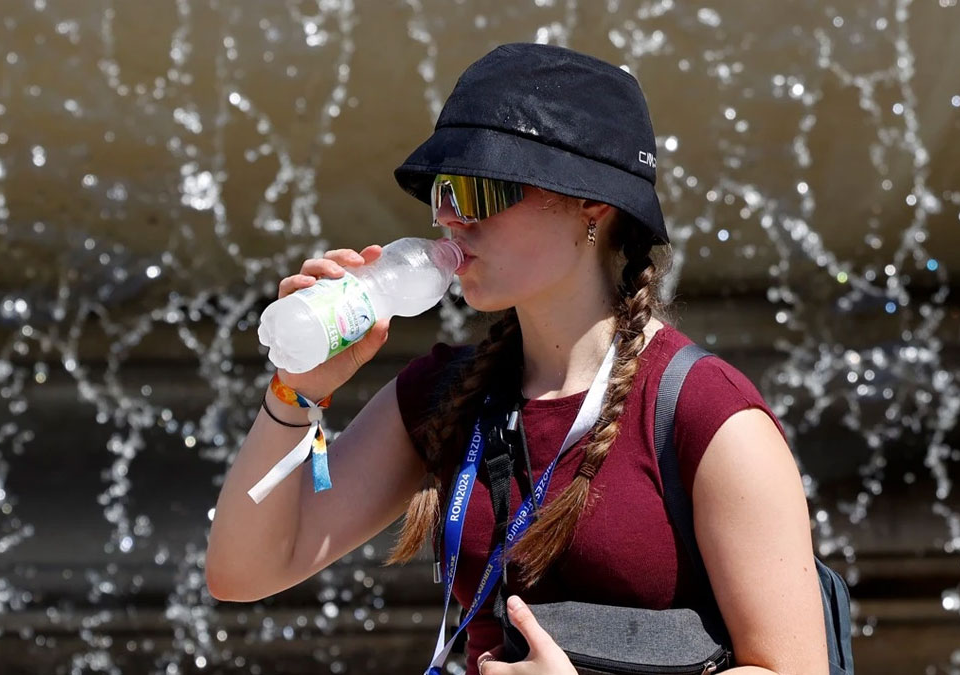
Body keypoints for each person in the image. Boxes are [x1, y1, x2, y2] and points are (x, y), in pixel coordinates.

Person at [207, 43, 828, 674]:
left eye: (480, 189)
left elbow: (794, 668)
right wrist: (298, 391)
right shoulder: (443, 393)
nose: (450, 219)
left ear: (593, 205)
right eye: (443, 190)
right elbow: (245, 570)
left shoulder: (708, 412)